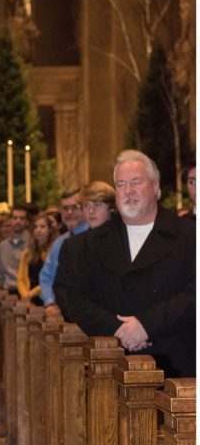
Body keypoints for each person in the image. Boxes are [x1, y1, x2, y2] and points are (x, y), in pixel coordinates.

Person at [68, 149, 195, 377]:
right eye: (121, 184)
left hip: (176, 364)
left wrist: (146, 326)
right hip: (112, 361)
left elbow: (194, 293)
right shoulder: (92, 243)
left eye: (136, 182)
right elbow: (77, 297)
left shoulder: (189, 235)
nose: (129, 191)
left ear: (155, 187)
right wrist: (119, 331)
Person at [53, 181, 116, 320]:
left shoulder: (124, 241)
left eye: (97, 205)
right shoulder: (72, 245)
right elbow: (61, 286)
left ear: (111, 208)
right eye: (86, 205)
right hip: (80, 322)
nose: (91, 211)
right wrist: (77, 317)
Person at [40, 189, 88, 314]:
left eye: (74, 207)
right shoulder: (59, 242)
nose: (69, 213)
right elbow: (46, 275)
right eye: (65, 208)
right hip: (60, 313)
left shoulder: (94, 239)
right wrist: (49, 302)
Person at [16, 213, 58, 304]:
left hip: (47, 298)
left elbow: (51, 278)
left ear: (49, 230)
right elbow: (20, 278)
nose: (38, 230)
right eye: (35, 227)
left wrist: (32, 293)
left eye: (42, 227)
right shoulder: (27, 253)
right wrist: (25, 295)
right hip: (28, 298)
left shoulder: (54, 252)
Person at [0, 205, 30, 293]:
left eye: (22, 218)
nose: (18, 221)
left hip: (27, 292)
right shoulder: (3, 245)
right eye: (15, 218)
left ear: (27, 222)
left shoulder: (32, 243)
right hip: (8, 291)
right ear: (10, 220)